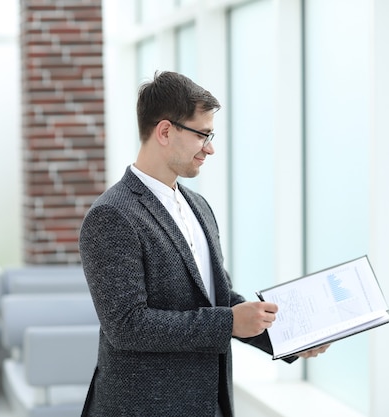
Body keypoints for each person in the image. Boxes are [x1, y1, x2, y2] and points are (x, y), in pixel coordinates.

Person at [78, 71, 329, 417]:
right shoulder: (112, 215)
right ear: (165, 131)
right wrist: (228, 323)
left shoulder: (198, 206)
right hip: (144, 408)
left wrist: (290, 338)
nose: (210, 148)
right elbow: (127, 326)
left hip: (209, 403)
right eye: (202, 135)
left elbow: (219, 298)